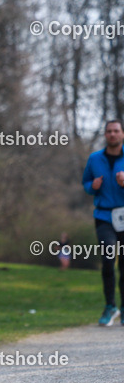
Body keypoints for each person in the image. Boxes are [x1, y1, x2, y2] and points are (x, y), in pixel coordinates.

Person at [82, 119, 124, 326]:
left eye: (116, 131)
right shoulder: (94, 158)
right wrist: (93, 185)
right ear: (105, 135)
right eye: (109, 131)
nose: (112, 134)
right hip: (104, 217)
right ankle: (110, 306)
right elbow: (86, 184)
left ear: (122, 134)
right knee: (108, 260)